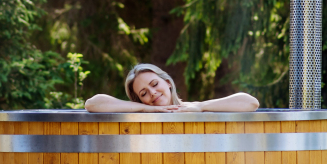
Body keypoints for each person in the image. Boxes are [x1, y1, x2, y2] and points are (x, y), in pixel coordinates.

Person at [84, 63, 259, 113]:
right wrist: (145, 109)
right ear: (139, 100)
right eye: (143, 93)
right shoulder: (141, 115)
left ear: (167, 82)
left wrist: (201, 106)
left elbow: (251, 103)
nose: (152, 93)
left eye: (154, 84)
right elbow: (93, 104)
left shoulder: (192, 108)